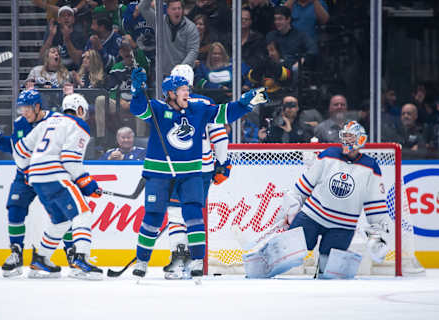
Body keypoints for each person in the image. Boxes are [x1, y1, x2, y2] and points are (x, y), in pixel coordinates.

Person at [128, 67, 267, 280]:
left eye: (187, 88)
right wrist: (137, 91)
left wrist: (244, 103)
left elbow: (225, 113)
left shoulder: (198, 109)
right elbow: (138, 109)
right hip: (159, 172)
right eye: (183, 89)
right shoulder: (157, 109)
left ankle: (196, 260)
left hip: (191, 172)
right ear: (171, 93)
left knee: (193, 215)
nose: (187, 93)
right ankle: (142, 261)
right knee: (153, 217)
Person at [0, 89, 74, 277]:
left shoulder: (56, 122)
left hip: (49, 175)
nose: (24, 112)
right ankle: (16, 253)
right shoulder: (21, 123)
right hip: (24, 175)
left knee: (62, 214)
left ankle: (72, 253)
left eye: (27, 108)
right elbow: (15, 147)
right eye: (21, 108)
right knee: (15, 209)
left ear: (38, 106)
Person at [282, 121, 391, 278]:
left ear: (361, 140)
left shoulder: (371, 167)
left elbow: (375, 206)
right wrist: (292, 204)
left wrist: (378, 233)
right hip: (312, 217)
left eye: (351, 138)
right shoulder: (328, 154)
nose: (346, 141)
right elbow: (305, 185)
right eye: (344, 137)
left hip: (342, 226)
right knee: (286, 251)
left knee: (329, 274)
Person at [13, 93, 103, 279]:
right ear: (80, 110)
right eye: (84, 112)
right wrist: (87, 183)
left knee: (61, 220)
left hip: (37, 178)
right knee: (82, 212)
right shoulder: (79, 125)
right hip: (55, 175)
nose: (85, 116)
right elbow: (70, 160)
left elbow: (20, 151)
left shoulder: (48, 122)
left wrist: (29, 171)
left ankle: (41, 260)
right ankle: (81, 259)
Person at [162, 64, 230, 280]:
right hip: (203, 168)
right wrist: (223, 164)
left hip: (176, 168)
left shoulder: (167, 105)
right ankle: (196, 262)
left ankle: (179, 261)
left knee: (175, 213)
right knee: (192, 213)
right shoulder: (206, 103)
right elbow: (219, 135)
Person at [138, 0, 200, 76]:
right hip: (161, 75)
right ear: (167, 10)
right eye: (174, 9)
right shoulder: (159, 21)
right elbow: (142, 8)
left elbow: (193, 51)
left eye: (179, 8)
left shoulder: (191, 27)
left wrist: (180, 69)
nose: (177, 11)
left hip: (183, 74)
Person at [38, 6, 88, 70]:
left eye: (69, 15)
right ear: (58, 20)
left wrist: (67, 40)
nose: (66, 18)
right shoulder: (53, 33)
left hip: (73, 72)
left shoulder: (80, 35)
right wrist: (51, 36)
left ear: (73, 19)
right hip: (55, 72)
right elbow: (41, 56)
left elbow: (78, 61)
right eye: (63, 16)